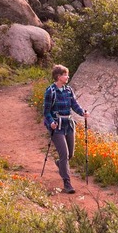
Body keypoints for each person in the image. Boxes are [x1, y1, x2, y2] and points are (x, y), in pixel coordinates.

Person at [43, 65, 88, 194]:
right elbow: (46, 112)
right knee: (64, 154)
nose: (67, 77)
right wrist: (51, 122)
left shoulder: (68, 90)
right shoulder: (50, 91)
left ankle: (60, 164)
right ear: (58, 77)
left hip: (68, 124)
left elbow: (74, 104)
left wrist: (82, 113)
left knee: (70, 154)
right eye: (65, 75)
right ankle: (67, 183)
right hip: (56, 127)